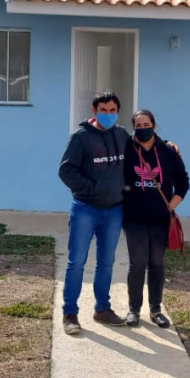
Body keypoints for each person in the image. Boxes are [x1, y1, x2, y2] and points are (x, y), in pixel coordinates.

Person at [58, 91, 131, 335]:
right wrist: (92, 189)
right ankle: (70, 314)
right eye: (103, 110)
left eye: (112, 111)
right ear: (94, 111)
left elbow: (144, 151)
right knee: (76, 261)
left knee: (107, 262)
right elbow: (66, 171)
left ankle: (102, 309)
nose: (108, 115)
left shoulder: (121, 135)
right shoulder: (80, 138)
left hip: (114, 210)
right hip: (85, 209)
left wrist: (169, 147)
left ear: (117, 112)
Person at [122, 109, 189, 328]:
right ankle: (134, 310)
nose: (143, 129)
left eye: (146, 124)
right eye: (138, 126)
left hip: (160, 220)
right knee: (137, 264)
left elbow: (183, 182)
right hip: (134, 219)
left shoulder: (167, 151)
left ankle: (156, 309)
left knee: (157, 263)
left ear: (154, 125)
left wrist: (171, 206)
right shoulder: (127, 149)